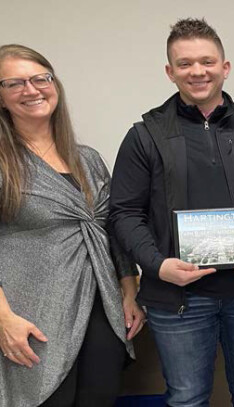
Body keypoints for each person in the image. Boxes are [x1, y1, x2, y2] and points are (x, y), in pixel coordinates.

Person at [109, 18, 234, 407]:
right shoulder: (144, 135)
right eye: (184, 64)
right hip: (177, 298)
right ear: (170, 72)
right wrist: (156, 265)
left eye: (206, 61)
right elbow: (124, 213)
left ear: (225, 67)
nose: (197, 71)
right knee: (186, 399)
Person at [0, 44, 145, 407]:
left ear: (55, 85)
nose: (31, 90)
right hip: (31, 315)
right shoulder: (4, 163)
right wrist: (3, 319)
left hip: (102, 311)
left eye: (40, 79)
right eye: (14, 83)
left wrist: (129, 291)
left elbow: (113, 230)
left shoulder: (88, 159)